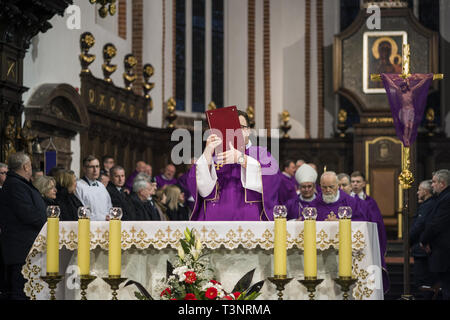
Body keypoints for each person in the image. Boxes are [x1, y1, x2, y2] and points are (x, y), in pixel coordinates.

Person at [185, 110, 280, 221]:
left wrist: (241, 158)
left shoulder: (260, 153)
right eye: (231, 127)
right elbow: (199, 187)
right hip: (215, 221)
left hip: (250, 220)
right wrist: (207, 152)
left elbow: (273, 178)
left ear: (248, 131)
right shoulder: (213, 155)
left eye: (240, 127)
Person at [0, 152, 46, 300]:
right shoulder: (15, 185)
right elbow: (27, 214)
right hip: (21, 250)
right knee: (22, 292)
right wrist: (48, 219)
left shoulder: (19, 184)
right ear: (26, 166)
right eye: (30, 165)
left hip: (27, 248)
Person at [350, 171, 389, 293]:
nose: (355, 184)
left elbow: (377, 224)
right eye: (353, 182)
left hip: (365, 243)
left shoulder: (370, 202)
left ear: (364, 184)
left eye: (358, 182)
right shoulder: (346, 200)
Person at [420, 169, 450, 300]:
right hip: (443, 249)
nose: (432, 185)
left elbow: (436, 224)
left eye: (434, 182)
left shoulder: (446, 199)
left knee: (447, 287)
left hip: (445, 251)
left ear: (442, 184)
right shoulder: (443, 197)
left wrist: (424, 240)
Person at [410, 180, 438, 298]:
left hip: (422, 251)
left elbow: (419, 225)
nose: (417, 192)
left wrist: (408, 239)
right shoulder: (429, 204)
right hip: (422, 250)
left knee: (423, 283)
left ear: (426, 191)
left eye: (419, 189)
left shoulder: (427, 206)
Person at [75, 155, 112, 221]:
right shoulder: (79, 186)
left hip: (105, 226)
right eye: (91, 167)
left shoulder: (101, 186)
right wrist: (102, 218)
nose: (95, 170)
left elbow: (109, 206)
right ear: (84, 169)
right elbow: (81, 210)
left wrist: (110, 216)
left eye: (97, 166)